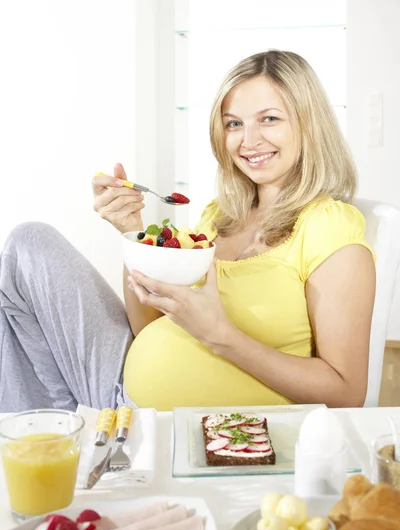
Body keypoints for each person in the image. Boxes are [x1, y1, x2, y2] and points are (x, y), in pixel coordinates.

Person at [0, 50, 375, 413]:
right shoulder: (220, 217)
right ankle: (48, 438)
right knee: (27, 244)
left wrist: (220, 334)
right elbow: (148, 325)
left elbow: (346, 392)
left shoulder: (329, 227)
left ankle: (55, 436)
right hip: (124, 386)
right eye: (234, 123)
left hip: (195, 424)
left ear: (309, 123)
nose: (249, 140)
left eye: (270, 119)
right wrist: (135, 236)